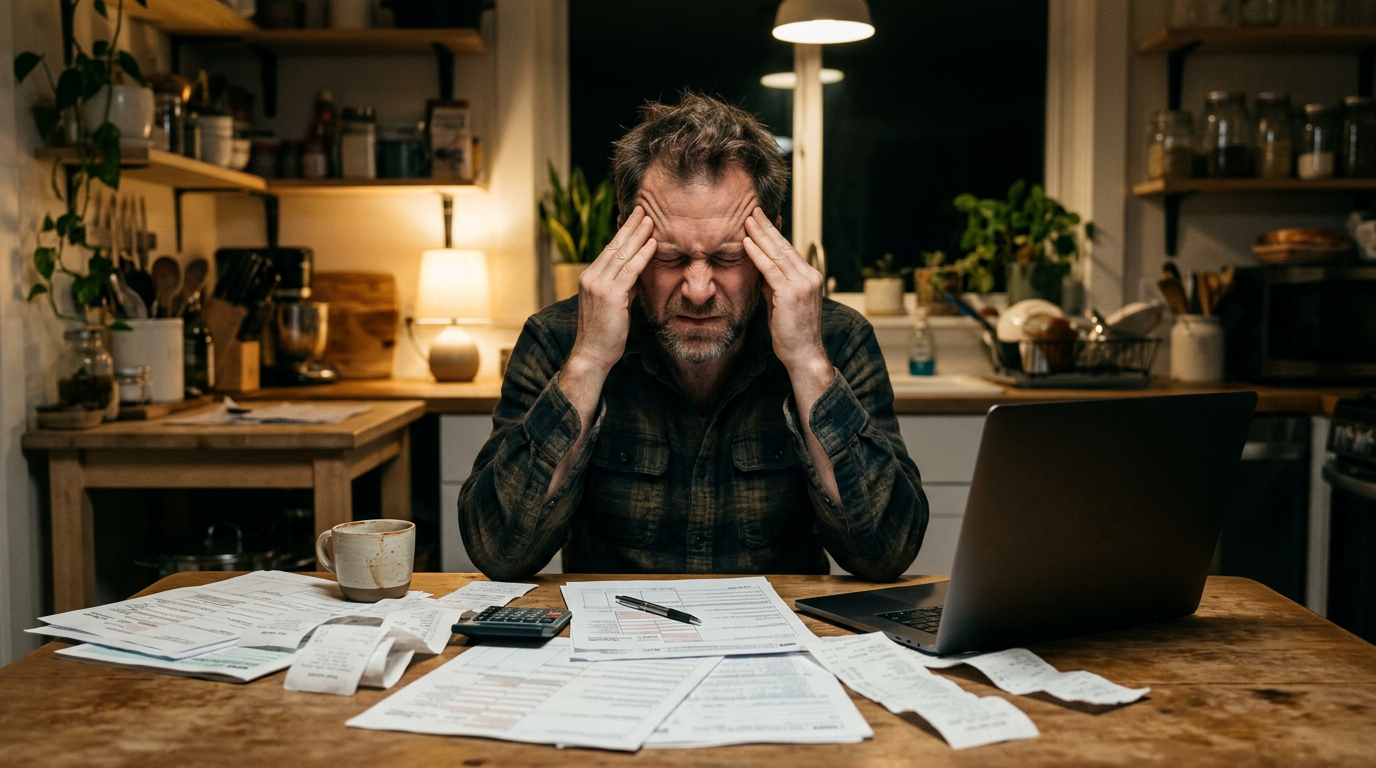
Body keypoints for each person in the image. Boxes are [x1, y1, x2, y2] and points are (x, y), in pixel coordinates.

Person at [458, 93, 928, 581]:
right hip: (612, 644)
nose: (699, 290)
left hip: (783, 641)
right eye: (668, 258)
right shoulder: (557, 340)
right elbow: (499, 551)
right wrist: (590, 361)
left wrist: (808, 361)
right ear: (624, 240)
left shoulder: (837, 339)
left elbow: (886, 552)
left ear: (773, 243)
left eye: (727, 258)